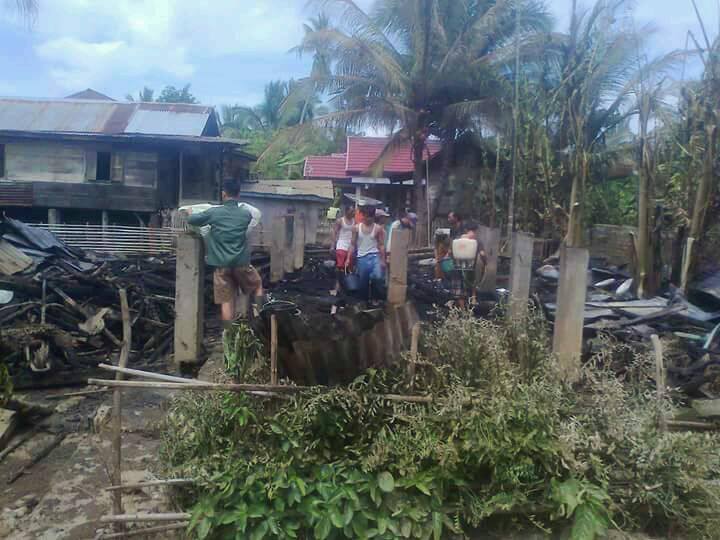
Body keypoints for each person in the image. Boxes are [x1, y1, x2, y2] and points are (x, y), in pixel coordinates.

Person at [186, 179, 264, 328]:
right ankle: (260, 318)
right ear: (239, 195)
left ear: (223, 194)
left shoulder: (214, 212)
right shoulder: (245, 214)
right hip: (241, 264)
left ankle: (228, 335)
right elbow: (253, 217)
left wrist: (190, 213)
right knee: (257, 285)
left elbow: (193, 220)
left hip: (221, 266)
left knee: (226, 301)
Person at [349, 206, 386, 302]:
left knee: (377, 277)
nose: (368, 219)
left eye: (370, 216)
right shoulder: (356, 228)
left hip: (374, 256)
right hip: (362, 257)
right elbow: (352, 244)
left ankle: (375, 297)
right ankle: (364, 301)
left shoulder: (378, 229)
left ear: (373, 217)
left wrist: (382, 260)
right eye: (366, 216)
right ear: (363, 215)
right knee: (363, 281)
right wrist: (349, 258)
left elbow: (381, 245)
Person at [330, 205, 356, 291]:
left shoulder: (354, 222)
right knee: (340, 266)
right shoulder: (340, 221)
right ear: (346, 211)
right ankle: (337, 284)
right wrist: (333, 245)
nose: (353, 213)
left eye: (353, 211)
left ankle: (347, 284)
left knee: (349, 267)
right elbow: (334, 232)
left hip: (350, 246)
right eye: (351, 211)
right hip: (341, 244)